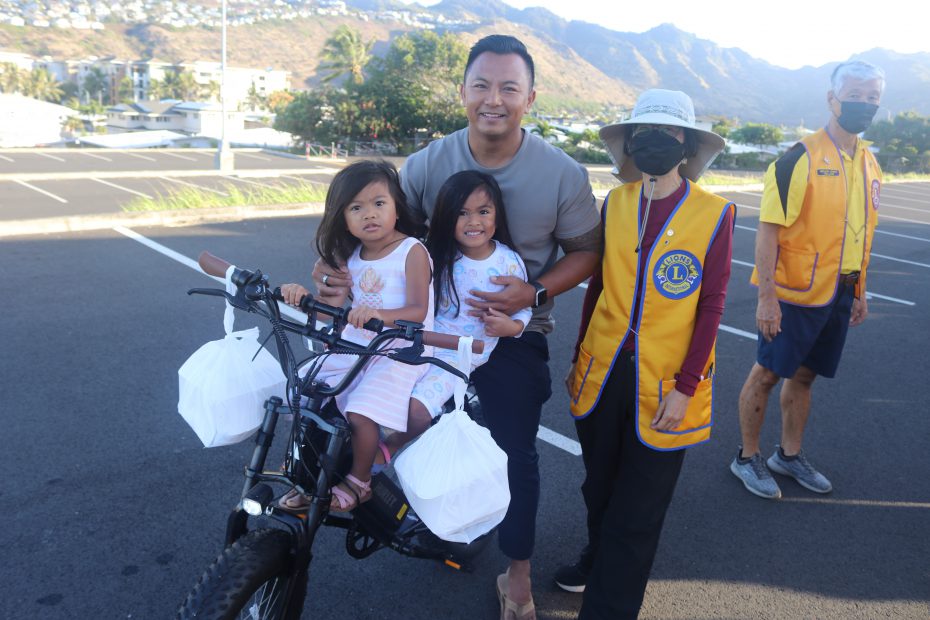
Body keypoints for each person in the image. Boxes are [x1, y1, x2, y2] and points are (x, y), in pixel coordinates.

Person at [314, 34, 601, 620]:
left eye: (509, 88)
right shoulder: (426, 164)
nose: (493, 99)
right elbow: (370, 222)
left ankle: (516, 573)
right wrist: (329, 268)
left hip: (511, 334)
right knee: (341, 396)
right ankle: (364, 491)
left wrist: (535, 291)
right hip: (428, 321)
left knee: (515, 452)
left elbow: (586, 252)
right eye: (481, 86)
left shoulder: (562, 173)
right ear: (463, 91)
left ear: (531, 97)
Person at [560, 89, 734, 620]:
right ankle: (597, 557)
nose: (656, 141)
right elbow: (598, 287)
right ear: (631, 142)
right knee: (600, 485)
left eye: (670, 133)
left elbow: (712, 306)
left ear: (687, 144)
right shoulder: (617, 202)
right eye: (645, 132)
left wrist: (686, 387)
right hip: (603, 370)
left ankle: (609, 606)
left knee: (639, 509)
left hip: (666, 385)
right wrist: (578, 352)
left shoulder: (715, 213)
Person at [729, 60, 885, 500]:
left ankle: (788, 455)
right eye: (856, 95)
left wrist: (859, 289)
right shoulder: (800, 157)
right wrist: (766, 299)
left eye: (873, 97)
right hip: (793, 293)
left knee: (805, 376)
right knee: (767, 374)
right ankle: (747, 457)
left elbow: (860, 232)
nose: (864, 104)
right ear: (832, 98)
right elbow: (768, 229)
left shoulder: (870, 163)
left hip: (837, 292)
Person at [279, 159, 432, 513]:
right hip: (358, 344)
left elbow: (418, 311)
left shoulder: (412, 251)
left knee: (362, 413)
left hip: (402, 349)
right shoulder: (352, 257)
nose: (370, 214)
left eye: (379, 203)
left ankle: (359, 480)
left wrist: (380, 316)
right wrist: (298, 295)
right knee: (305, 391)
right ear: (343, 217)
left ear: (396, 207)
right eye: (356, 207)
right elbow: (328, 308)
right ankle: (307, 468)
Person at [382, 170, 532, 454]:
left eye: (484, 211)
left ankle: (386, 450)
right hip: (420, 342)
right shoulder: (436, 256)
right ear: (446, 217)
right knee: (377, 390)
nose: (474, 222)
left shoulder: (508, 261)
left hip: (462, 354)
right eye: (462, 213)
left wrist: (511, 328)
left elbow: (523, 309)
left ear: (497, 215)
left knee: (416, 410)